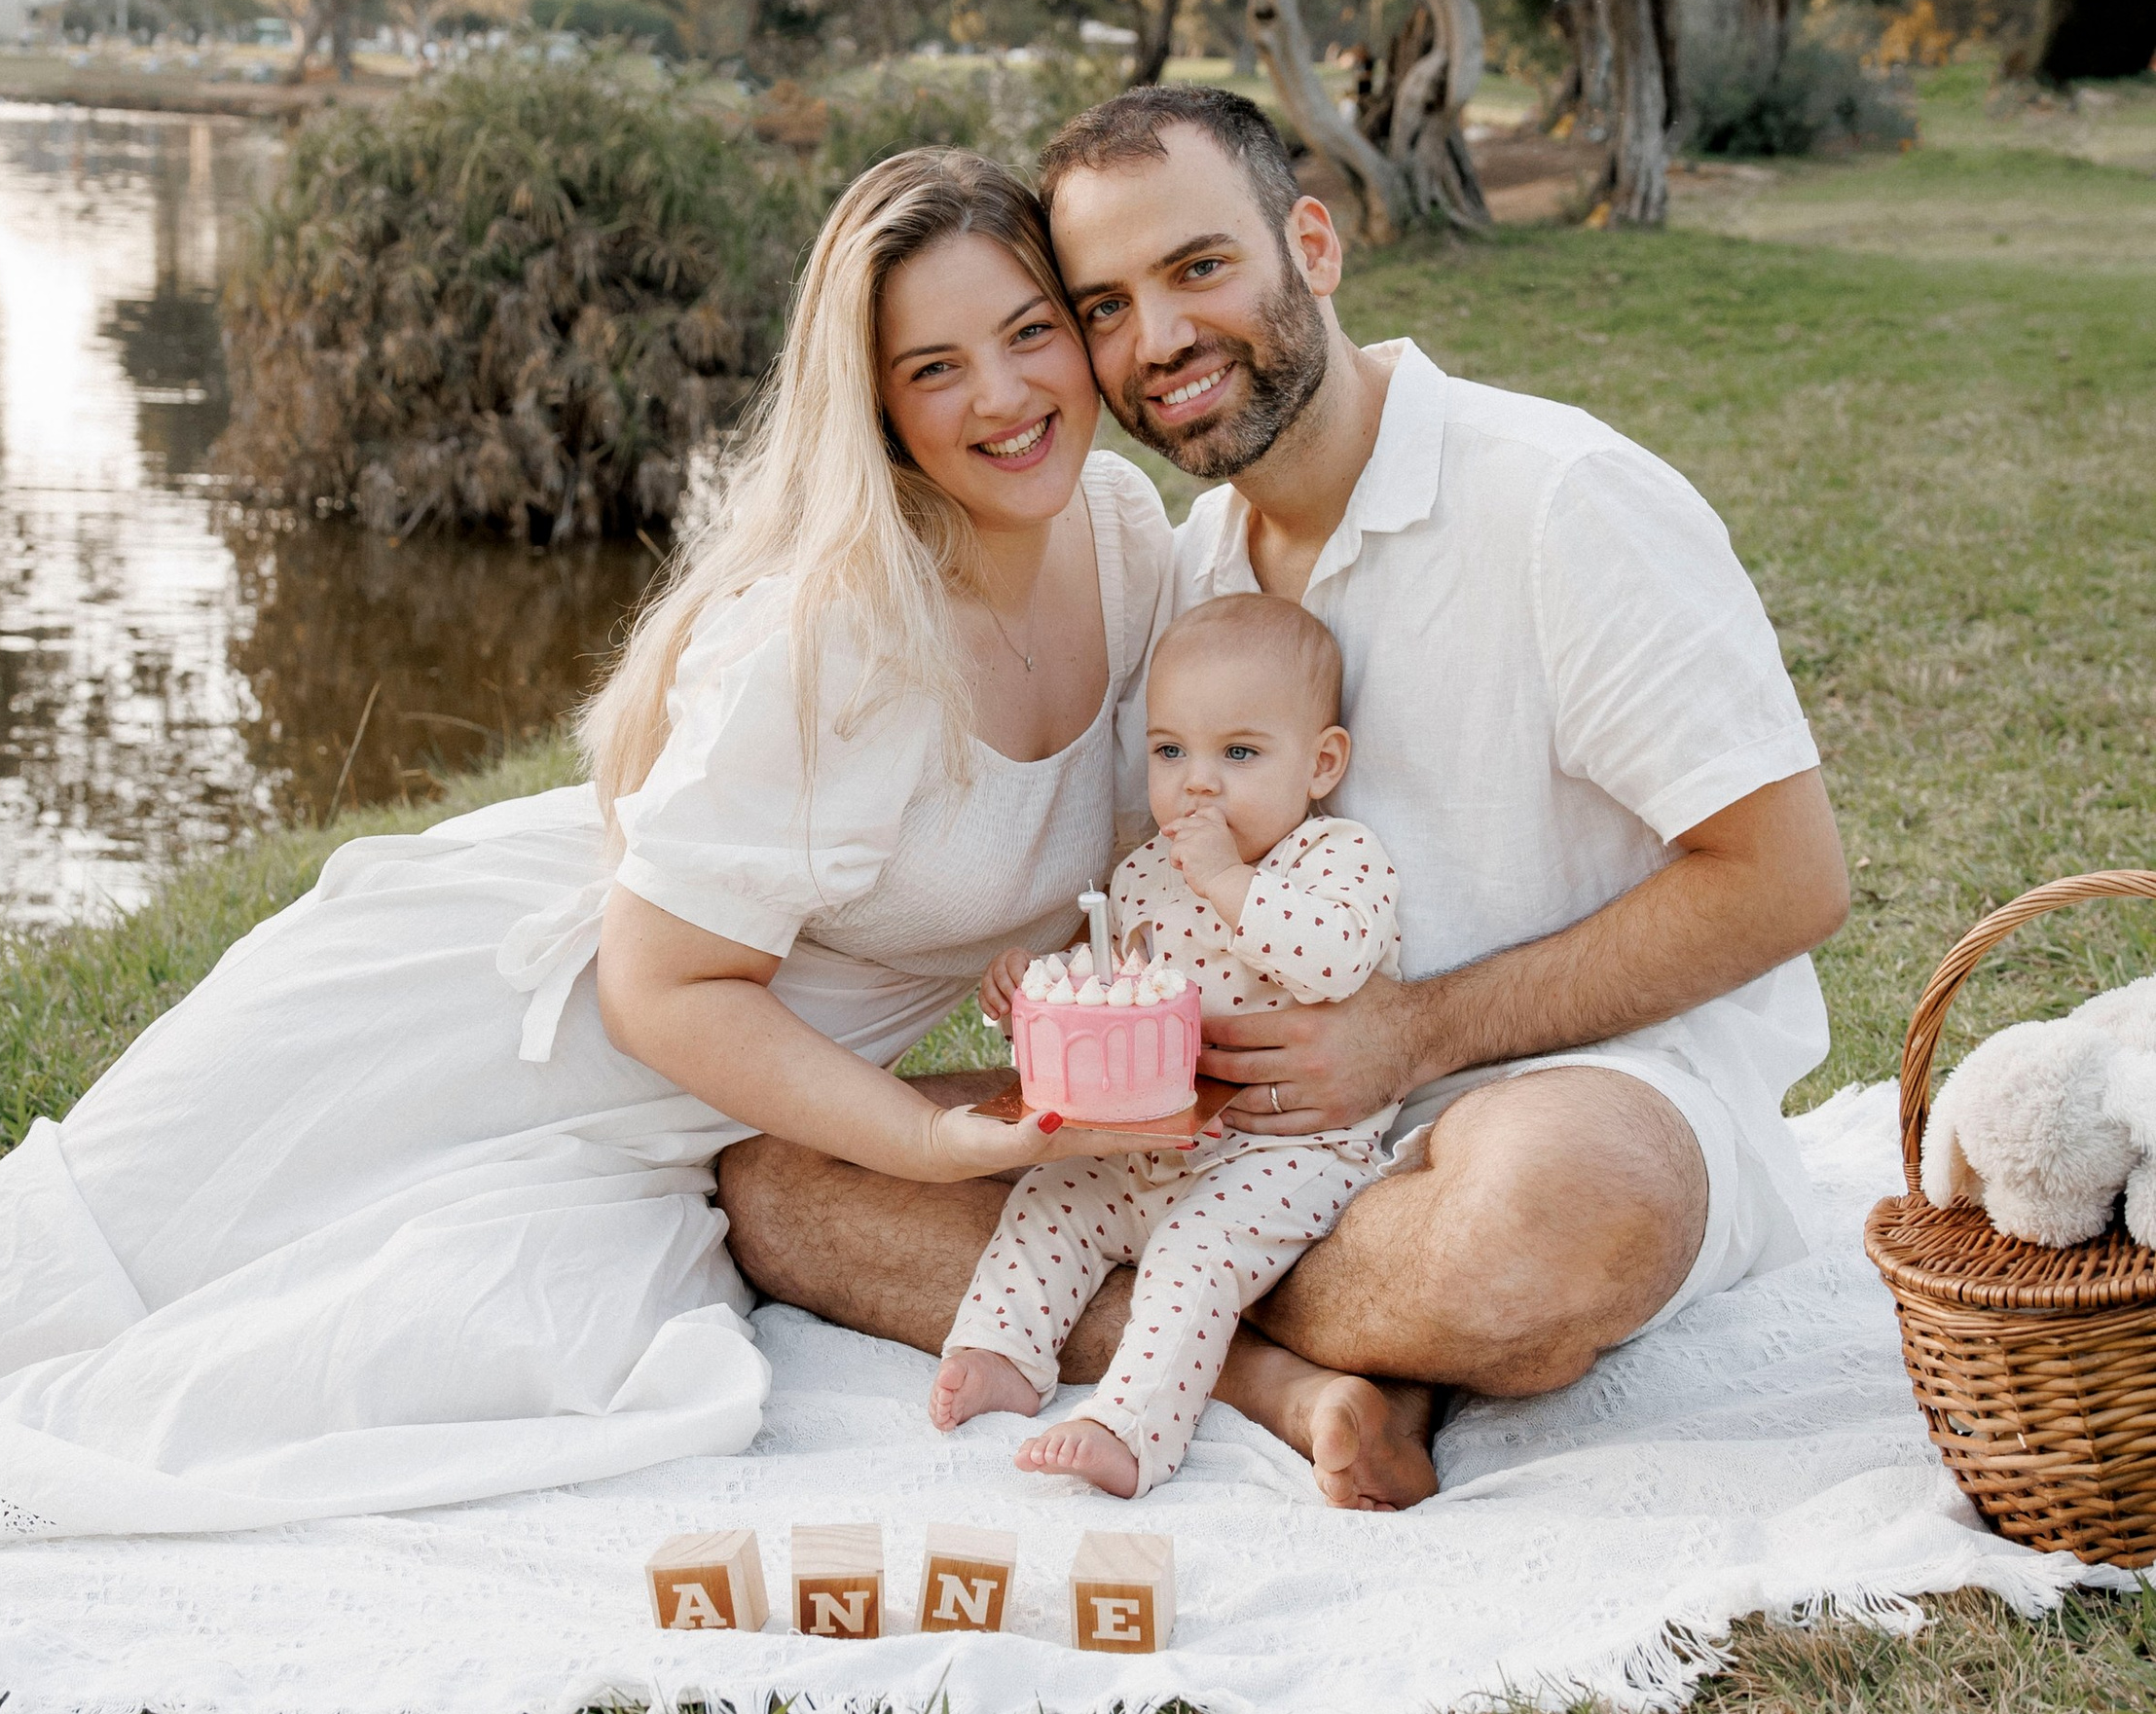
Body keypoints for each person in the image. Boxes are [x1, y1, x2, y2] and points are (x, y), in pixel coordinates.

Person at [0, 149, 1173, 1568]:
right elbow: (663, 987)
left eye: (1032, 332)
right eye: (934, 367)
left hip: (667, 1133)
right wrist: (919, 1142)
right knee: (91, 1259)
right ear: (879, 407)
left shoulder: (1122, 535)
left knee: (483, 1347)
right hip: (511, 1007)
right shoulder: (832, 632)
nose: (1006, 396)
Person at [719, 85, 1852, 1508]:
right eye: (1107, 305)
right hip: (1226, 1134)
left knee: (1547, 1229)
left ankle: (1252, 1313)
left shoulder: (1560, 499)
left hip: (1552, 1095)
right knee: (785, 1185)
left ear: (1312, 245)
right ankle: (1296, 1380)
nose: (1163, 340)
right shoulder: (1187, 572)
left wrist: (1409, 1037)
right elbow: (1160, 900)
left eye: (1199, 269)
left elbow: (1788, 875)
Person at [932, 591, 1399, 1496]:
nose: (1198, 782)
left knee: (1195, 1253)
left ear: (1321, 763)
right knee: (1049, 1195)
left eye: (1239, 753)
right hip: (1148, 1141)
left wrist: (1227, 878)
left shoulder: (1340, 858)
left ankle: (1133, 1426)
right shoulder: (1146, 870)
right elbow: (1113, 979)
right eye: (1170, 750)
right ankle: (1004, 1352)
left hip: (1283, 1152)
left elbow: (1334, 962)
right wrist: (1030, 990)